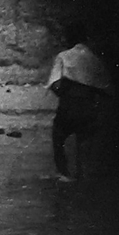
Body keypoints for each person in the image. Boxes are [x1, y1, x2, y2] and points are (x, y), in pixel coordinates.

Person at [47, 22, 113, 182]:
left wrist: (65, 92)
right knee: (84, 140)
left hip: (69, 106)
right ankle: (83, 173)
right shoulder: (94, 59)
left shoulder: (63, 56)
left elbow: (55, 83)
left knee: (58, 137)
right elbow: (106, 88)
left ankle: (64, 173)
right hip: (89, 106)